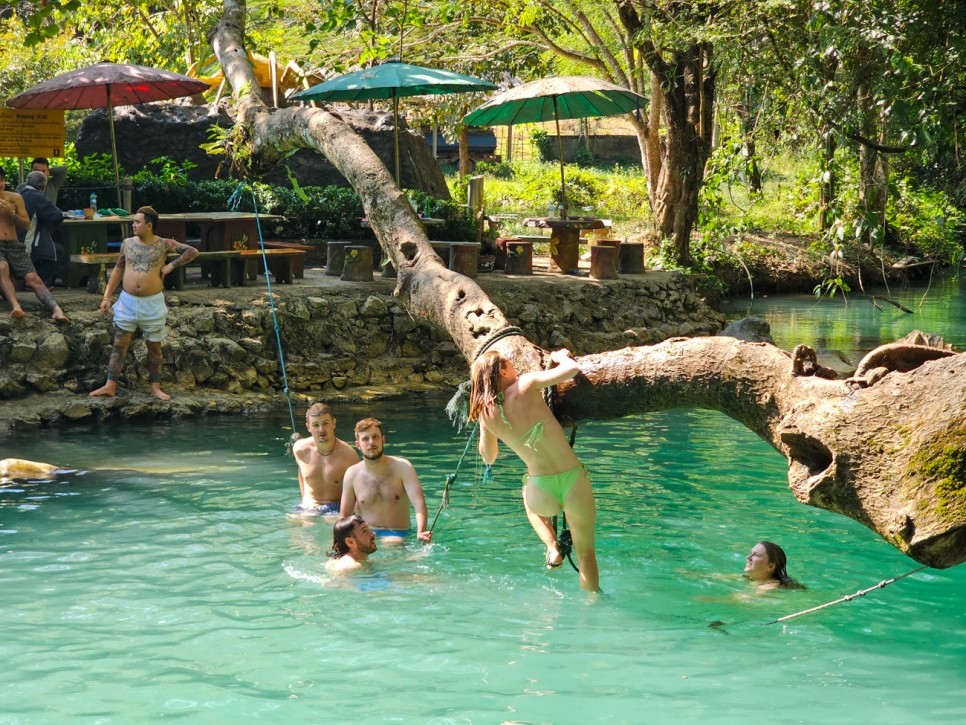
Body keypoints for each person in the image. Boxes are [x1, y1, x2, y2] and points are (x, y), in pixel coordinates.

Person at [468, 348, 599, 592]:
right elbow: (571, 370)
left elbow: (489, 457)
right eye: (510, 363)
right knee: (586, 554)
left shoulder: (486, 414)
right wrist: (559, 357)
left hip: (541, 489)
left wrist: (485, 423)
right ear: (503, 370)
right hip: (573, 480)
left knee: (528, 497)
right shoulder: (526, 384)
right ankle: (591, 605)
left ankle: (552, 547)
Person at [89, 205, 199, 400]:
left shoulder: (164, 244)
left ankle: (156, 388)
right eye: (134, 222)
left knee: (154, 348)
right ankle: (109, 385)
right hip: (127, 301)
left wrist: (170, 266)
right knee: (119, 344)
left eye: (137, 222)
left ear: (148, 225)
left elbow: (192, 251)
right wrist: (106, 297)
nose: (133, 225)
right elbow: (117, 269)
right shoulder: (127, 243)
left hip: (152, 302)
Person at [339, 417, 433, 544]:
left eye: (375, 437)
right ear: (358, 445)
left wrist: (421, 531)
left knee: (392, 542)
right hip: (368, 535)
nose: (371, 442)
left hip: (399, 534)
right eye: (365, 439)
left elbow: (419, 504)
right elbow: (344, 517)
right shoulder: (352, 474)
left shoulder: (402, 467)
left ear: (383, 440)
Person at [0, 167, 69, 322]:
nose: (0, 184)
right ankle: (16, 306)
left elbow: (26, 225)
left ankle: (56, 309)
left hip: (14, 244)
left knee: (33, 278)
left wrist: (11, 213)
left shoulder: (15, 197)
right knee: (2, 267)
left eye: (2, 180)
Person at [292, 402, 359, 516]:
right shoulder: (300, 449)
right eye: (316, 425)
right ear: (308, 427)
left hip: (335, 508)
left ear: (333, 423)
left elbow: (358, 490)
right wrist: (304, 500)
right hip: (308, 506)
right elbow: (302, 473)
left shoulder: (349, 455)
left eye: (325, 423)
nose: (321, 430)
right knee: (294, 527)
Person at [17, 170, 64, 288]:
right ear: (43, 187)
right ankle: (38, 283)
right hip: (26, 242)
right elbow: (57, 215)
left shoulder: (18, 193)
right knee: (57, 251)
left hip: (13, 238)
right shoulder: (38, 197)